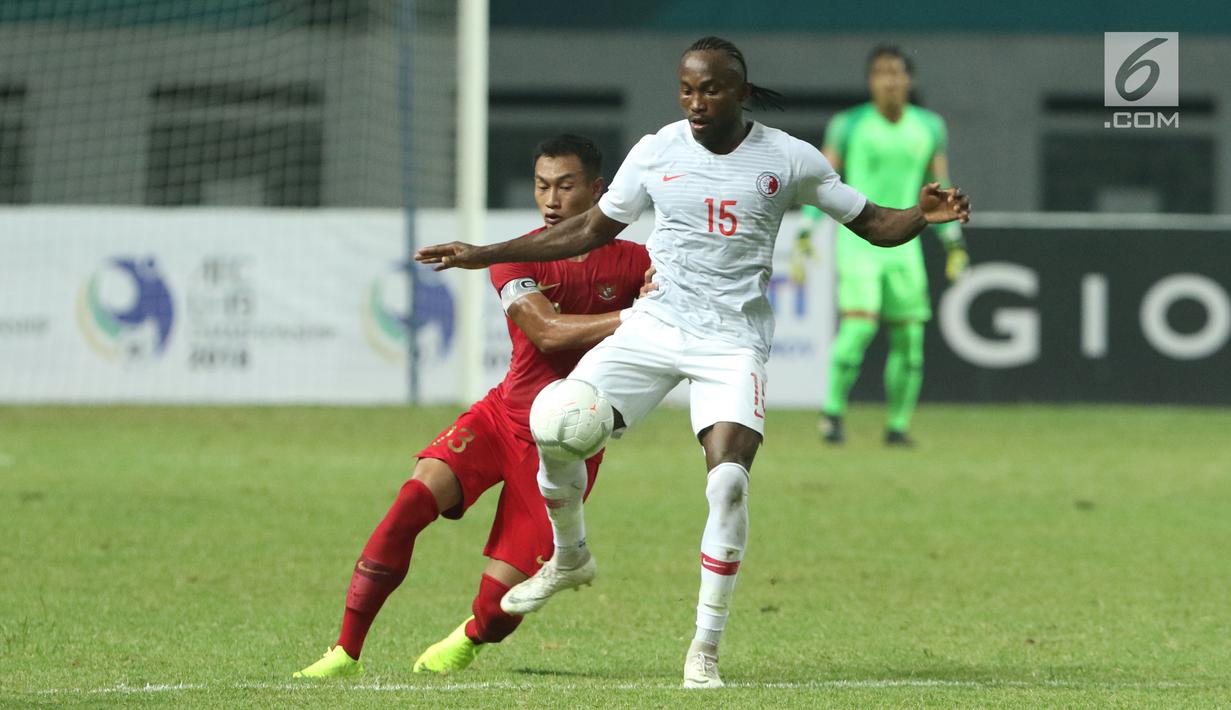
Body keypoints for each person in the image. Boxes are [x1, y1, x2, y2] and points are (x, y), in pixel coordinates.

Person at [415, 36, 970, 689]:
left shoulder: (788, 158)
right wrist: (486, 252)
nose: (695, 101)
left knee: (727, 483)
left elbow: (872, 221)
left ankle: (703, 650)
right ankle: (569, 556)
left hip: (731, 342)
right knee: (552, 420)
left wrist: (921, 216)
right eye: (686, 89)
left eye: (709, 89)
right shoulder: (655, 151)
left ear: (737, 90)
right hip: (654, 325)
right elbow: (590, 228)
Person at [294, 134, 651, 678]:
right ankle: (344, 651)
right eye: (541, 185)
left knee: (501, 608)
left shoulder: (637, 263)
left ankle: (471, 635)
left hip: (563, 447)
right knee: (409, 504)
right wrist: (637, 316)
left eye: (566, 186)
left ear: (598, 190)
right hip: (500, 418)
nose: (551, 199)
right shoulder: (513, 257)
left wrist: (660, 296)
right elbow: (548, 334)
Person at [792, 45, 969, 447]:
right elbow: (823, 181)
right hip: (860, 241)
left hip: (906, 245)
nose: (889, 80)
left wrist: (953, 241)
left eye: (896, 72)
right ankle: (833, 414)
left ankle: (898, 426)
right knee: (858, 328)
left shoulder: (929, 127)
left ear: (908, 79)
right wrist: (805, 233)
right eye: (880, 73)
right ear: (871, 81)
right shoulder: (849, 124)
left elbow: (938, 189)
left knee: (910, 344)